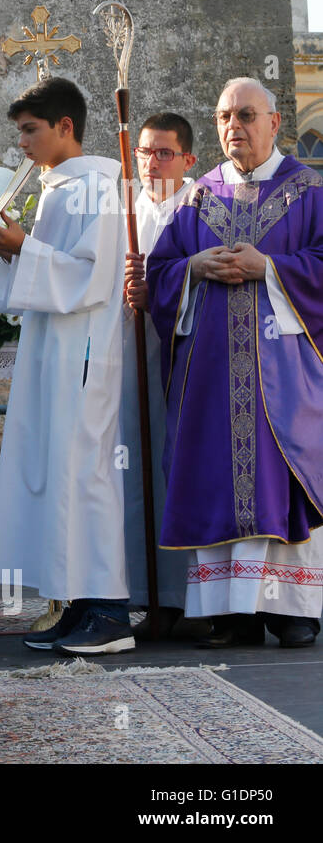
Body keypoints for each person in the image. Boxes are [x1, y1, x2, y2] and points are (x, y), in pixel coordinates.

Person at [148, 77, 323, 649]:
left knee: (280, 478)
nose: (234, 127)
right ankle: (230, 612)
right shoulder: (197, 197)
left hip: (283, 376)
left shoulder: (309, 192)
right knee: (216, 476)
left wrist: (270, 269)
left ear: (275, 124)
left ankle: (292, 609)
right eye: (225, 116)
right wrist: (193, 267)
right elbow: (159, 273)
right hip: (212, 379)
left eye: (247, 115)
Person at [0, 76, 132, 656]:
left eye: (30, 131)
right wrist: (3, 251)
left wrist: (21, 249)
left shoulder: (101, 186)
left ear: (66, 127)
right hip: (52, 351)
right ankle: (75, 602)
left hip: (85, 354)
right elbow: (42, 274)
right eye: (19, 133)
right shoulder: (58, 186)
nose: (23, 145)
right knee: (59, 473)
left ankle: (109, 610)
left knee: (86, 475)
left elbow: (91, 274)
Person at [119, 113, 204, 639]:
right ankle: (150, 593)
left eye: (163, 153)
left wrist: (160, 296)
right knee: (139, 472)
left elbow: (204, 276)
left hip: (186, 361)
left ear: (189, 160)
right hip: (135, 363)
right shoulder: (125, 209)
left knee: (181, 473)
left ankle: (189, 596)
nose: (150, 163)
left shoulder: (200, 209)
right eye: (144, 152)